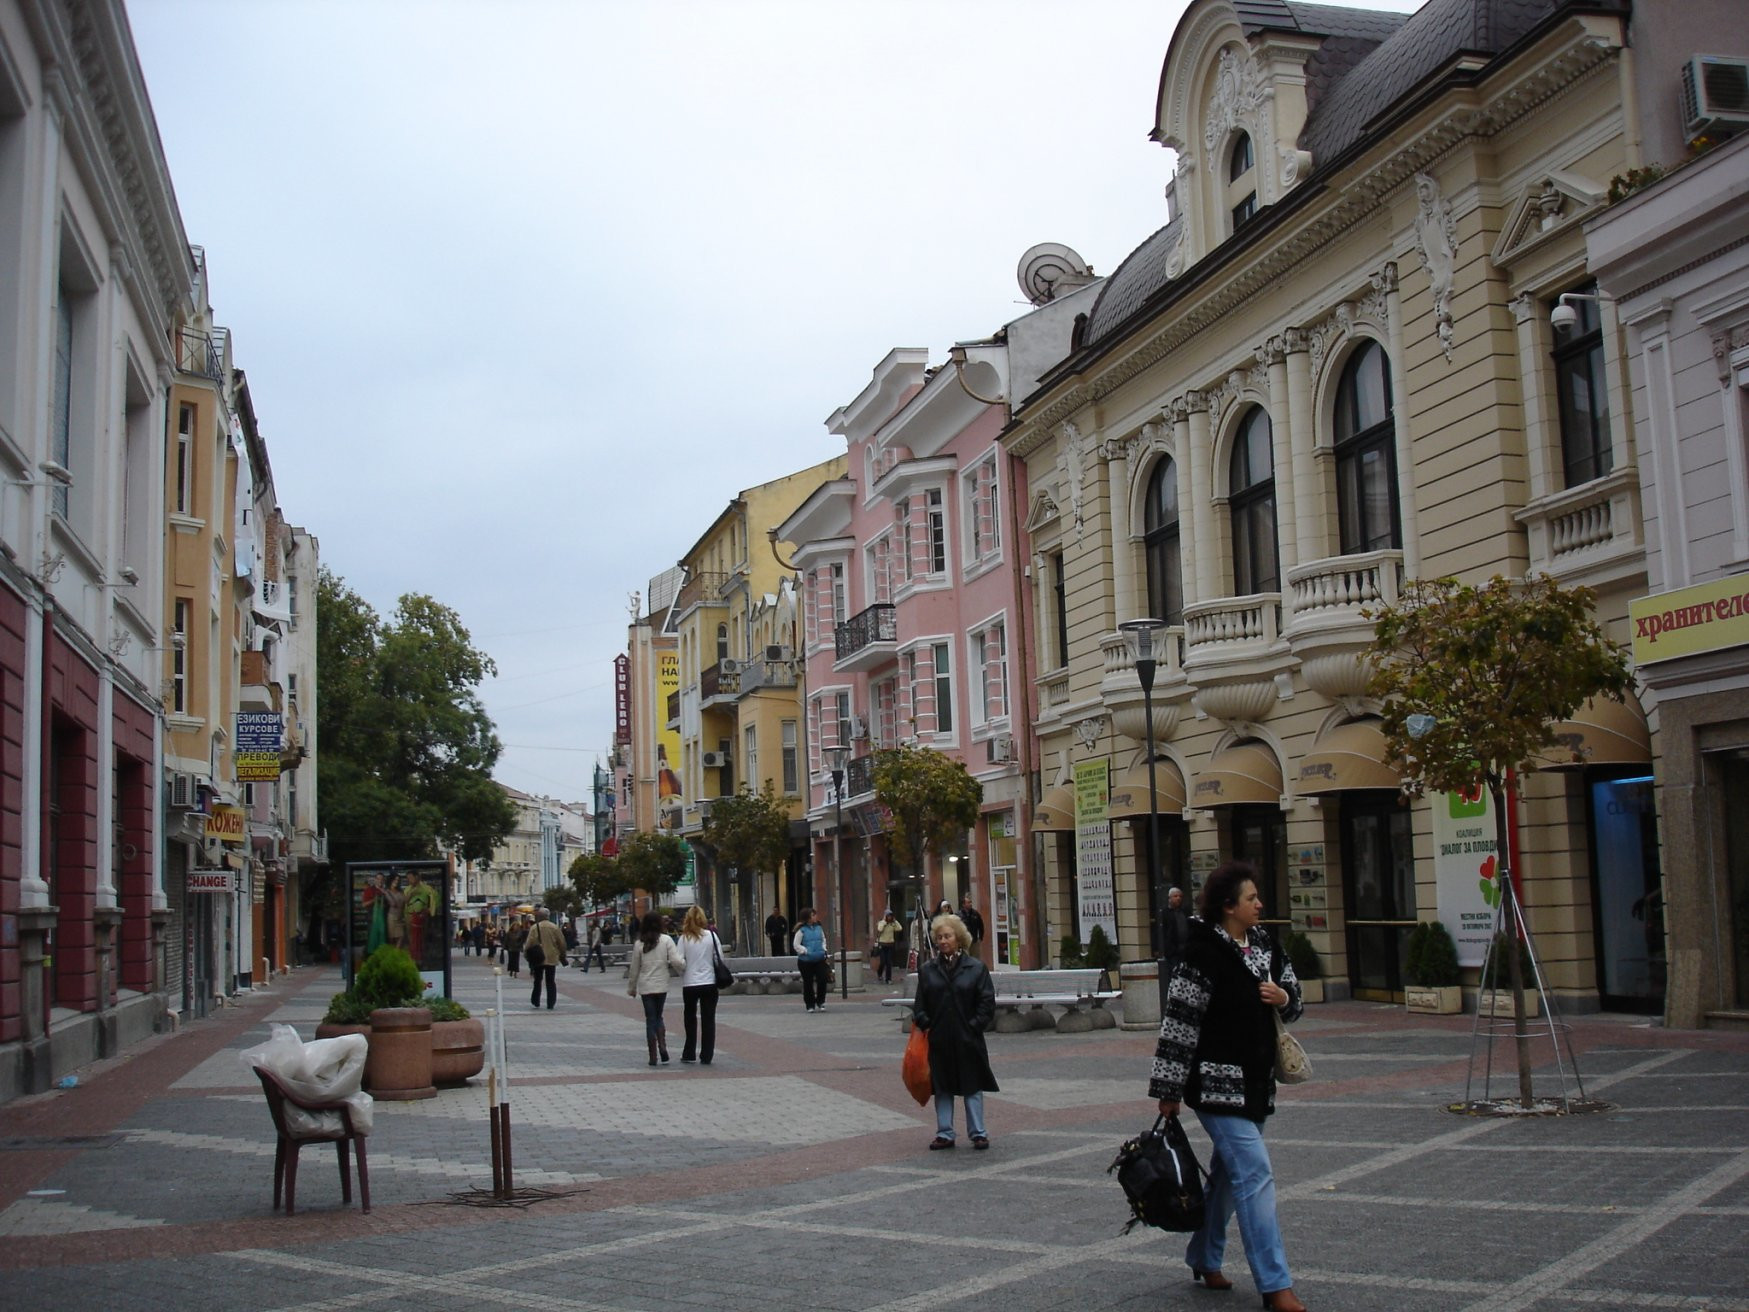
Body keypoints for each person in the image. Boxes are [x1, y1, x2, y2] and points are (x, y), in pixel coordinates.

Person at [1150, 860, 1306, 1312]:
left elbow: (1295, 999)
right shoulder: (1201, 953)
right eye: (1251, 898)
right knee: (1254, 1172)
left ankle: (1203, 1254)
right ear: (1228, 906)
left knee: (1226, 1176)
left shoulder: (1264, 945)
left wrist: (1285, 997)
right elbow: (1179, 1024)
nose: (1260, 904)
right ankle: (1276, 1286)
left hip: (1257, 1084)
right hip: (1215, 1085)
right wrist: (1169, 1091)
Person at [911, 911, 998, 1151]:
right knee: (943, 1088)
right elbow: (920, 1005)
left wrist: (974, 1026)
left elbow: (986, 1003)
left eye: (947, 936)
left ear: (958, 938)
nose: (943, 941)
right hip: (940, 1039)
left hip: (968, 1039)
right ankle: (945, 1133)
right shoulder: (928, 970)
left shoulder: (976, 968)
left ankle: (978, 1133)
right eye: (939, 937)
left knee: (972, 1085)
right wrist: (927, 1022)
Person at [626, 913, 684, 1065]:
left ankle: (652, 1055)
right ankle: (663, 1046)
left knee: (650, 1019)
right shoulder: (666, 940)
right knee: (659, 1016)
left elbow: (634, 968)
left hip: (646, 986)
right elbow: (676, 961)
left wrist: (632, 987)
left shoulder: (639, 943)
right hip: (661, 985)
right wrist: (684, 969)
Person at [676, 905, 725, 1064]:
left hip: (690, 983)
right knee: (708, 1019)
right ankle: (707, 1054)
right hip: (709, 982)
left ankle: (689, 1052)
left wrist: (684, 972)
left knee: (690, 1017)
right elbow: (719, 959)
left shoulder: (684, 938)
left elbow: (679, 961)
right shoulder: (711, 936)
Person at [522, 908, 567, 1009]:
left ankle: (535, 1000)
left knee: (537, 980)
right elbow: (562, 943)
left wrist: (527, 956)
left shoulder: (534, 928)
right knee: (550, 981)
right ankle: (550, 1003)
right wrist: (562, 955)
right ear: (548, 916)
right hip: (551, 957)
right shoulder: (554, 927)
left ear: (539, 916)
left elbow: (529, 944)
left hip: (538, 957)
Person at [793, 907, 830, 1012]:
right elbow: (796, 944)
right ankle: (810, 1004)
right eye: (813, 915)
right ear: (807, 918)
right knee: (808, 982)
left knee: (822, 980)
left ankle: (821, 1001)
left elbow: (823, 939)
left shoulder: (819, 927)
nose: (815, 917)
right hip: (805, 961)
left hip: (819, 959)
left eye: (815, 915)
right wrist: (805, 951)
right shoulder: (801, 930)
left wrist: (824, 949)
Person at [403, 870, 439, 962]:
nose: (409, 880)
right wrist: (410, 894)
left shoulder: (427, 889)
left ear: (417, 877)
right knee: (411, 938)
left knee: (421, 938)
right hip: (409, 915)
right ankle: (412, 958)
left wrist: (429, 910)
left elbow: (435, 901)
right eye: (408, 879)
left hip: (422, 916)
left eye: (411, 878)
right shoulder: (407, 889)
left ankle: (421, 958)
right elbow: (404, 902)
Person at [1162, 885, 1191, 973]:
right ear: (1169, 898)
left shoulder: (1185, 912)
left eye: (1180, 896)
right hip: (1172, 951)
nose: (1178, 898)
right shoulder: (1165, 913)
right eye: (1175, 896)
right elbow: (1162, 931)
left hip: (1185, 950)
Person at [874, 909, 903, 985]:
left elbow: (900, 928)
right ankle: (879, 973)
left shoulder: (892, 924)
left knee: (889, 963)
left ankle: (888, 979)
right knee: (883, 961)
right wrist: (884, 922)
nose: (889, 917)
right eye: (888, 916)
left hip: (890, 945)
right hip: (882, 945)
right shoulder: (881, 923)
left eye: (891, 916)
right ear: (885, 916)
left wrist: (895, 921)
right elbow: (879, 929)